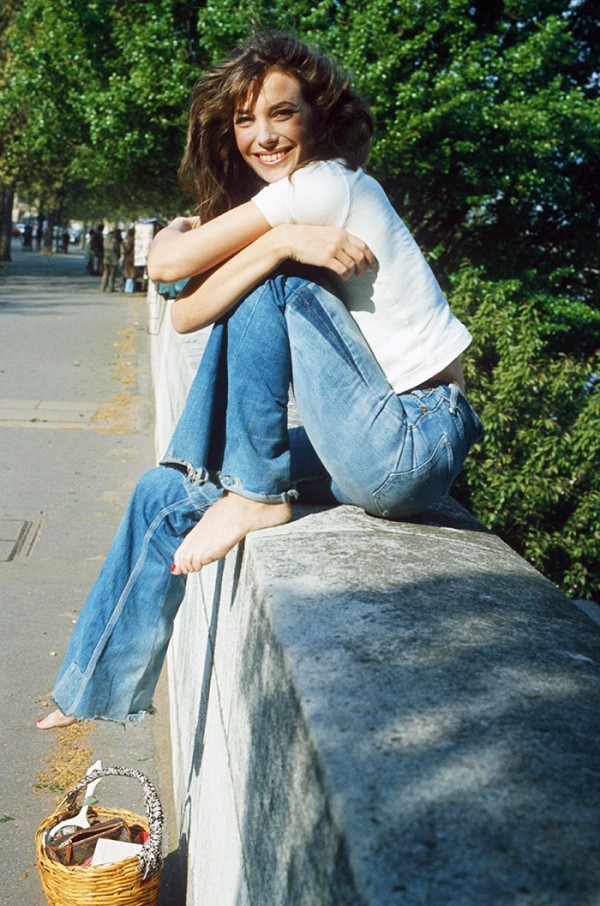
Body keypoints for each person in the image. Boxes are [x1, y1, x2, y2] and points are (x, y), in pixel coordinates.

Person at [37, 30, 483, 730]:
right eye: (245, 119)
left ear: (320, 117)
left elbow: (165, 269)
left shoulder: (324, 183)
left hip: (414, 433)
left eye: (283, 113)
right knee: (167, 492)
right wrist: (274, 242)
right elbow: (184, 306)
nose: (263, 134)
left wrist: (272, 247)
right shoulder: (290, 208)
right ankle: (91, 687)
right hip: (378, 444)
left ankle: (253, 492)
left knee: (265, 285)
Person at [101, 228, 121, 292]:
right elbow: (117, 250)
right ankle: (111, 288)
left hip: (106, 258)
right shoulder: (115, 241)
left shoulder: (105, 240)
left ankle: (103, 287)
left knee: (106, 273)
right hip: (113, 259)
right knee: (112, 274)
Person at [122, 227, 137, 292]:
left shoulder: (130, 240)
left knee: (129, 274)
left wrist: (124, 245)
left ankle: (128, 289)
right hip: (132, 258)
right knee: (131, 274)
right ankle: (130, 288)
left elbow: (127, 249)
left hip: (129, 258)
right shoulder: (135, 239)